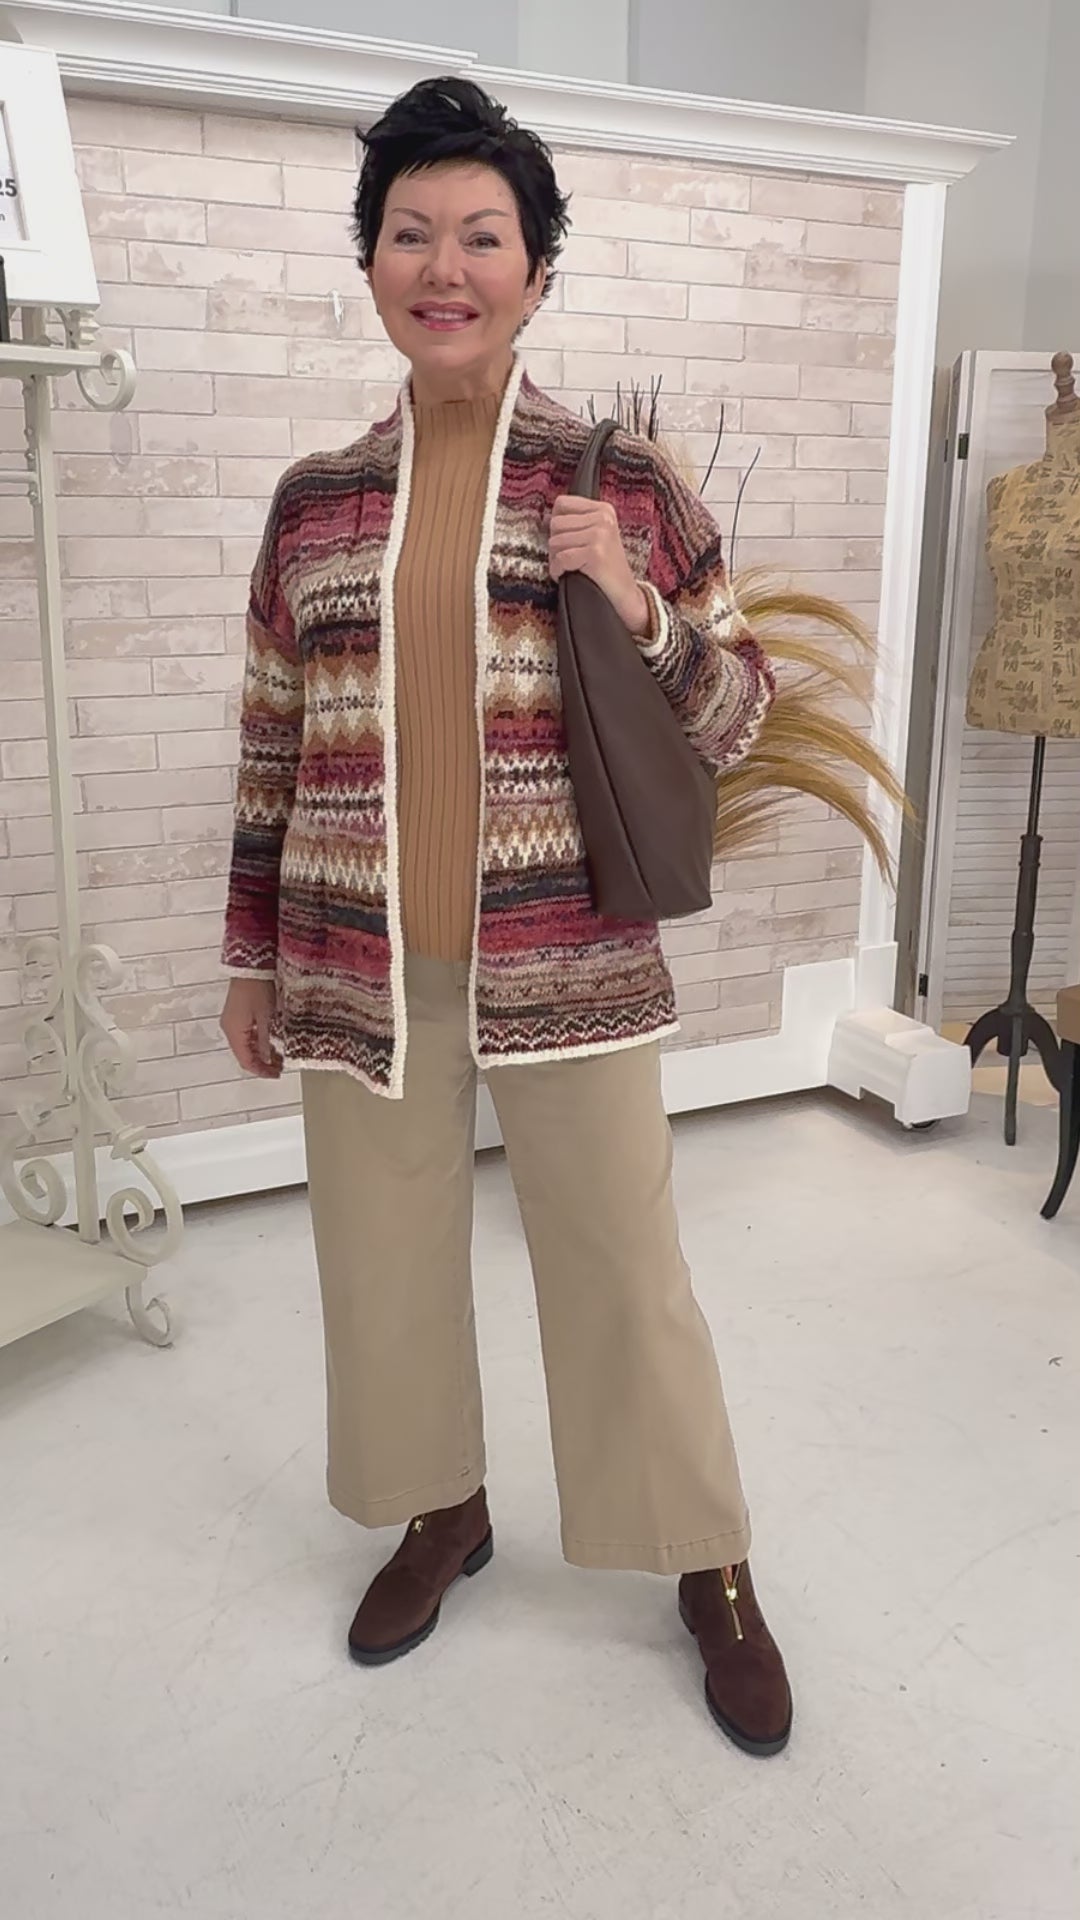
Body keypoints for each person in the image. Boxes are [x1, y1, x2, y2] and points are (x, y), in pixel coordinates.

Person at [220, 76, 792, 1759]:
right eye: (411, 235)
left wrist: (631, 596)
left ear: (538, 271)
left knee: (623, 1268)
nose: (445, 266)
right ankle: (442, 1508)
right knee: (380, 1262)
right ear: (372, 266)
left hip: (573, 962)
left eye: (483, 236)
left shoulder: (622, 483)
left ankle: (707, 1558)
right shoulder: (314, 501)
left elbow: (740, 712)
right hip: (354, 964)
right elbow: (271, 741)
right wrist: (249, 955)